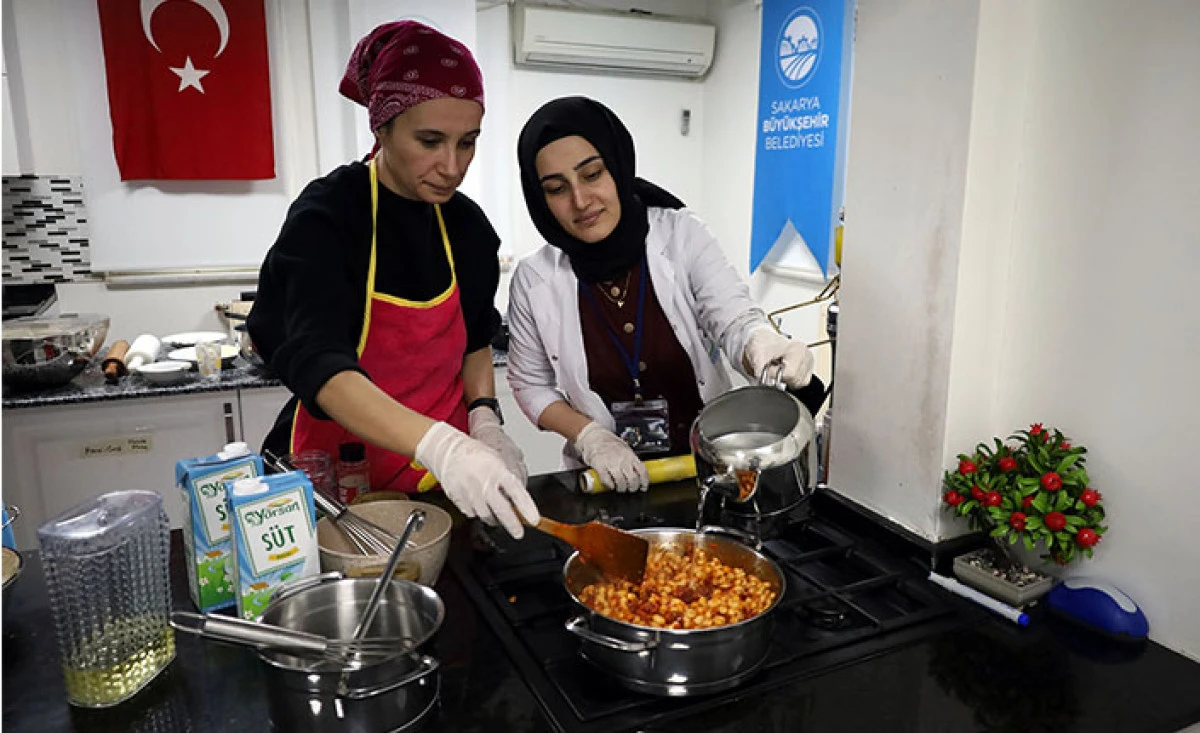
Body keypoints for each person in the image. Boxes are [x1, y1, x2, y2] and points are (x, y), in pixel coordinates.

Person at [248, 21, 538, 538]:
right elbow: (321, 366)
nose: (452, 166)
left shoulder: (468, 229)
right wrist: (443, 446)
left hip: (438, 489)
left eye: (467, 143)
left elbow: (474, 337)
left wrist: (485, 420)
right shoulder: (329, 216)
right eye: (430, 141)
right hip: (335, 485)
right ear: (381, 128)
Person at [506, 96, 816, 493]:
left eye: (593, 174)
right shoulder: (535, 279)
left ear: (617, 167)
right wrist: (589, 438)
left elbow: (734, 320)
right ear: (539, 198)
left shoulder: (681, 235)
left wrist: (763, 346)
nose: (580, 201)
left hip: (713, 471)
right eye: (556, 188)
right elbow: (530, 385)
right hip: (608, 481)